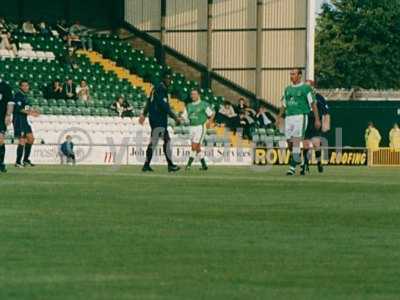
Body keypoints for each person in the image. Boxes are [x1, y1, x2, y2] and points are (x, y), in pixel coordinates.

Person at [277, 69, 321, 176]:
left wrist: (317, 119)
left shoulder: (306, 88)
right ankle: (300, 161)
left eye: (293, 74)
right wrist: (278, 117)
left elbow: (313, 104)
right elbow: (284, 104)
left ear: (300, 75)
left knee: (296, 141)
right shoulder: (287, 89)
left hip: (300, 117)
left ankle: (291, 168)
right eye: (291, 74)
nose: (291, 76)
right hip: (289, 117)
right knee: (289, 143)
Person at [139, 74, 181, 172]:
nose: (169, 81)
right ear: (164, 79)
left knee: (154, 142)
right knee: (167, 140)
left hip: (154, 118)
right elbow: (164, 106)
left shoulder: (155, 88)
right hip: (158, 119)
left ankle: (146, 165)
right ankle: (170, 165)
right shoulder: (162, 89)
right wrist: (175, 117)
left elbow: (149, 101)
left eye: (170, 79)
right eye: (168, 78)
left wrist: (144, 114)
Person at [301, 80, 330, 174]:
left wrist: (325, 123)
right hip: (305, 121)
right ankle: (305, 164)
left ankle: (319, 162)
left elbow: (326, 111)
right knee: (305, 144)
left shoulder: (318, 97)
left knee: (316, 144)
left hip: (315, 122)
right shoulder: (302, 97)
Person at [9, 80, 40, 168]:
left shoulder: (25, 96)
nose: (26, 87)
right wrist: (31, 113)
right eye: (24, 86)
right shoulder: (18, 95)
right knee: (22, 140)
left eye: (27, 86)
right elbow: (19, 109)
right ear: (20, 87)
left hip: (25, 120)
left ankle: (26, 160)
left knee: (31, 139)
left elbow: (26, 108)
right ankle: (18, 162)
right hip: (18, 120)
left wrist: (33, 110)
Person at [182, 89, 214, 171]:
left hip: (201, 127)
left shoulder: (204, 104)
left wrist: (209, 122)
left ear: (198, 95)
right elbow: (183, 117)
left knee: (194, 146)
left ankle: (188, 165)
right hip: (191, 127)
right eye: (191, 94)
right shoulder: (188, 105)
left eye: (194, 94)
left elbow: (212, 113)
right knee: (197, 147)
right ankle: (204, 165)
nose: (193, 96)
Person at [0, 79, 13, 173]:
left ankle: (1, 163)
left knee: (0, 139)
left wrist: (8, 115)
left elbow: (10, 103)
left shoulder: (5, 86)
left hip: (1, 117)